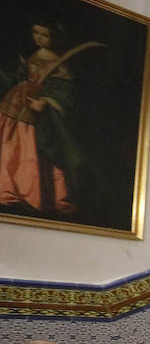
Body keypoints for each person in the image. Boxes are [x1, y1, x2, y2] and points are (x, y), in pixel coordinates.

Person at [0, 20, 88, 216]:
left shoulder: (58, 64)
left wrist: (45, 101)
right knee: (7, 146)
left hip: (34, 114)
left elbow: (63, 91)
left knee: (28, 150)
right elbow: (19, 76)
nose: (39, 37)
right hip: (14, 105)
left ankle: (30, 192)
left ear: (54, 37)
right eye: (36, 32)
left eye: (44, 35)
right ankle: (7, 187)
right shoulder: (32, 56)